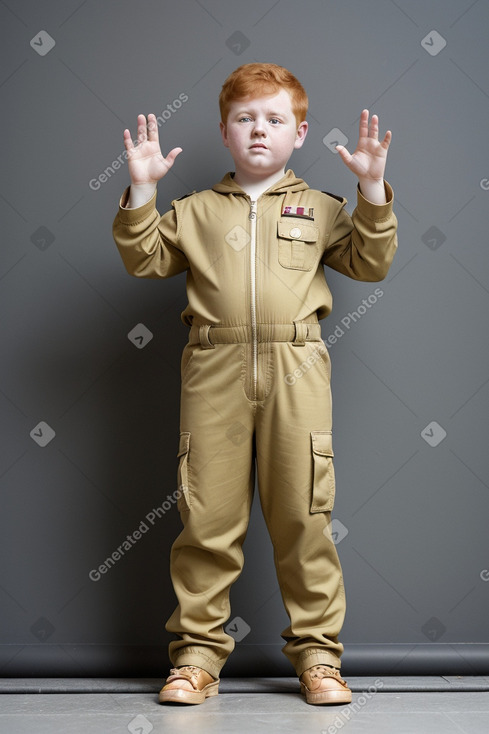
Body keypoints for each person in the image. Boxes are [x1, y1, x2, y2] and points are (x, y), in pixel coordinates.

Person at [112, 62, 397, 706]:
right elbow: (143, 257)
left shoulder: (322, 208)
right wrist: (140, 191)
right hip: (214, 368)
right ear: (224, 131)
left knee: (304, 516)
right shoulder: (195, 211)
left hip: (299, 370)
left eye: (274, 120)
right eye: (245, 119)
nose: (259, 131)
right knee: (207, 519)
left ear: (300, 133)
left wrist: (373, 190)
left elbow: (371, 263)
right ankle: (195, 658)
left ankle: (320, 659)